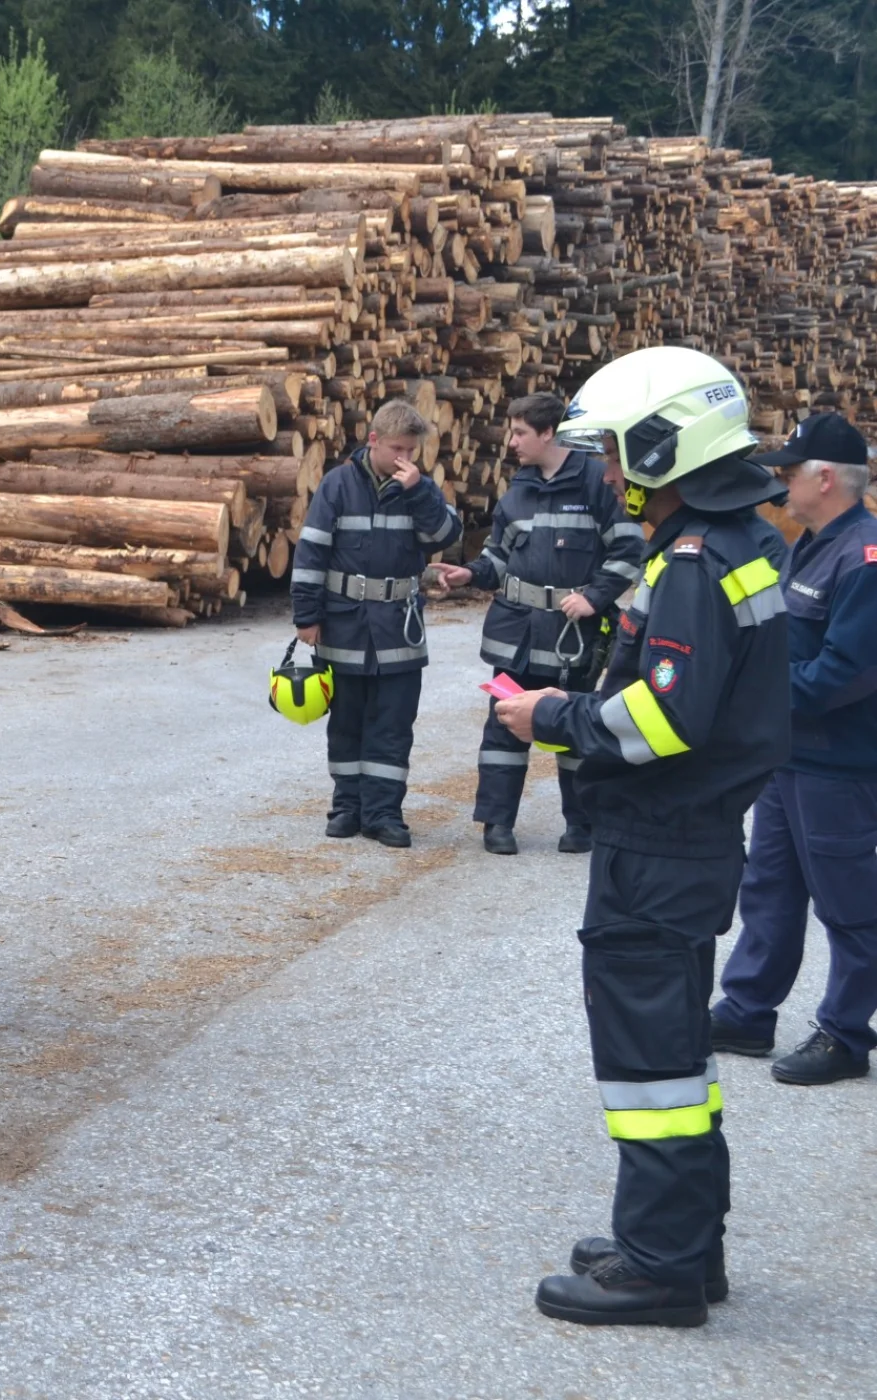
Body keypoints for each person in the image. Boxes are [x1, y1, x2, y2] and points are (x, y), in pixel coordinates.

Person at [495, 345, 790, 1328]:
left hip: (661, 843)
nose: (613, 472)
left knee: (650, 1063)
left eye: (621, 452)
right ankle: (685, 1245)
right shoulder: (735, 539)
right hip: (688, 837)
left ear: (669, 446)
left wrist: (551, 716)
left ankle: (659, 1267)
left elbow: (666, 718)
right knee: (676, 1056)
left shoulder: (696, 561)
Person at [710, 412, 877, 1086]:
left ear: (825, 478)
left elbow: (844, 672)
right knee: (770, 889)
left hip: (838, 764)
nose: (780, 483)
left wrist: (752, 694)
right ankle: (747, 1011)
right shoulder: (812, 544)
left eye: (789, 472)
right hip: (790, 755)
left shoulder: (864, 557)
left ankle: (845, 1034)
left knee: (847, 903)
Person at [435, 393, 645, 855]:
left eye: (520, 433)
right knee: (504, 727)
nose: (511, 442)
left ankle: (581, 826)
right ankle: (497, 824)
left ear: (548, 433)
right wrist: (471, 574)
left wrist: (594, 597)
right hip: (517, 638)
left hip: (573, 639)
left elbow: (631, 550)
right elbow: (498, 556)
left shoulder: (597, 483)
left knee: (576, 728)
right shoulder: (519, 489)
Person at [289, 399, 462, 847]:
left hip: (399, 627)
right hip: (344, 625)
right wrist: (306, 615)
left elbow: (446, 535)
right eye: (397, 449)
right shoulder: (338, 484)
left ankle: (384, 814)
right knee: (346, 722)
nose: (405, 458)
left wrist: (419, 491)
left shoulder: (420, 488)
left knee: (393, 725)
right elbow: (311, 552)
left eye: (411, 450)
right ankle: (347, 807)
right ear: (374, 441)